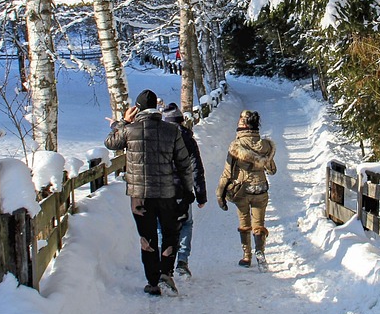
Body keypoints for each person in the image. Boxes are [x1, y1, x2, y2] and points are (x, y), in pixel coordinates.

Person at [105, 89, 194, 295]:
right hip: (167, 193)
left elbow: (110, 143)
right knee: (170, 233)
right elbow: (184, 163)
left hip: (140, 195)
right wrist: (187, 189)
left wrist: (122, 122)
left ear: (138, 109)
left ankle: (152, 281)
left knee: (148, 236)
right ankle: (166, 273)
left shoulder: (130, 130)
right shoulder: (171, 131)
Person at [216, 109, 277, 267]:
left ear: (243, 124)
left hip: (242, 189)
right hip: (261, 188)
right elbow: (272, 170)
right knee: (259, 222)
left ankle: (246, 256)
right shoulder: (265, 145)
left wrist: (220, 194)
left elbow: (227, 172)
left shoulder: (236, 145)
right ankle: (260, 252)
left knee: (244, 221)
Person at [162, 103, 206, 276]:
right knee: (186, 223)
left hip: (162, 191)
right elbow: (196, 168)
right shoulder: (187, 138)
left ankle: (164, 261)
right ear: (181, 120)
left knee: (163, 226)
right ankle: (182, 260)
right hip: (183, 190)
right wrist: (200, 195)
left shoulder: (159, 137)